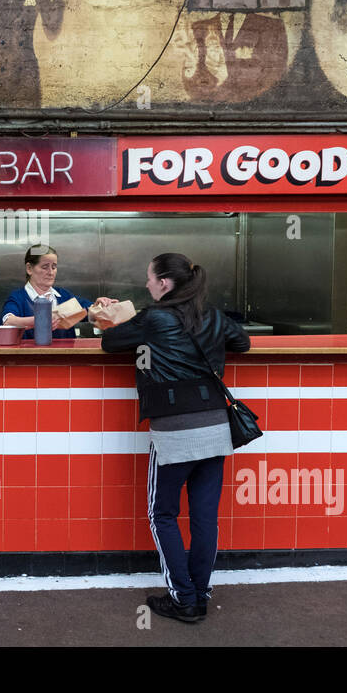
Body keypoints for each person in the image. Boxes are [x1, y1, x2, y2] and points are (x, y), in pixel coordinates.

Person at [99, 252, 250, 623]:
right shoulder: (211, 315)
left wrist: (116, 314)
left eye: (150, 279)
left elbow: (109, 342)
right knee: (205, 517)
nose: (147, 285)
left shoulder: (154, 318)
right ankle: (199, 594)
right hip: (216, 425)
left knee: (162, 513)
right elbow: (243, 343)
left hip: (174, 431)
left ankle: (183, 598)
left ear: (165, 283)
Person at [0, 243, 116, 340]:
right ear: (29, 268)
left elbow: (88, 312)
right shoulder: (18, 297)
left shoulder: (63, 296)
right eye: (45, 267)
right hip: (30, 363)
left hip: (65, 361)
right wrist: (41, 320)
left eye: (54, 267)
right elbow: (8, 322)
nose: (51, 272)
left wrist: (99, 306)